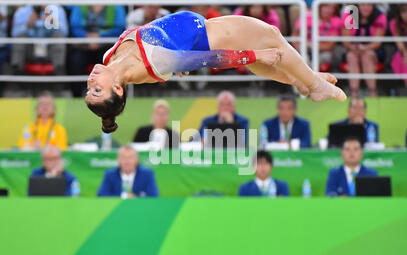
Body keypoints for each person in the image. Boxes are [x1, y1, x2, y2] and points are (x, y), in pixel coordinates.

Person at [85, 10, 346, 133]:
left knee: (263, 63)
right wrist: (254, 54)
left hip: (199, 31)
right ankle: (314, 85)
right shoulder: (154, 63)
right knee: (271, 37)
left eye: (90, 89)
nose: (91, 81)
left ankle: (301, 81)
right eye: (97, 90)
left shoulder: (110, 57)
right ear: (118, 89)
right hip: (207, 36)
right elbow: (213, 59)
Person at [69, 5, 126, 96]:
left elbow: (119, 28)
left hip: (106, 45)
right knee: (76, 60)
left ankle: (105, 94)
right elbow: (74, 27)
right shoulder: (80, 5)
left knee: (109, 60)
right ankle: (76, 95)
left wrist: (100, 37)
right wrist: (87, 37)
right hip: (84, 45)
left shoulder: (116, 6)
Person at [341, 4, 387, 97]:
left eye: (369, 5)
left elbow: (377, 43)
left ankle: (372, 92)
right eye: (363, 4)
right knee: (351, 56)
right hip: (353, 49)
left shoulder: (379, 16)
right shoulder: (349, 15)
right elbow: (346, 42)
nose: (366, 7)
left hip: (373, 50)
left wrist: (364, 48)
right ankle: (354, 93)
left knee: (367, 55)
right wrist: (354, 48)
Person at [10, 5, 68, 75]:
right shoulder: (22, 12)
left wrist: (53, 23)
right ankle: (16, 74)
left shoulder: (57, 10)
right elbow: (14, 34)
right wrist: (27, 26)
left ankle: (60, 75)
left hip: (50, 49)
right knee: (20, 39)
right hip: (29, 49)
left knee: (58, 37)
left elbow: (65, 32)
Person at [291, 4, 341, 69]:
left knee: (325, 56)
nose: (329, 10)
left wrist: (310, 45)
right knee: (302, 57)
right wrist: (301, 47)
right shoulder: (307, 15)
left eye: (333, 8)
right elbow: (295, 36)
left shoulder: (336, 21)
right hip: (304, 49)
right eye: (326, 6)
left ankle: (309, 76)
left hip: (322, 52)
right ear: (320, 6)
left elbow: (329, 46)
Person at [390, 4, 407, 87]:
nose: (406, 14)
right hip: (402, 53)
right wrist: (405, 53)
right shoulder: (394, 23)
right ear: (399, 13)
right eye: (403, 12)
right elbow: (399, 43)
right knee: (404, 62)